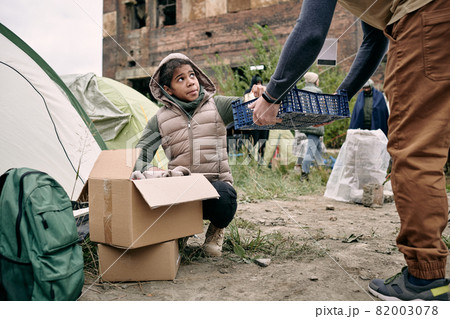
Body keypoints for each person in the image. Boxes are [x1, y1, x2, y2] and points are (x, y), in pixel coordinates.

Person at [250, 0, 450, 301]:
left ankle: (425, 279)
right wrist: (342, 97)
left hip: (427, 22)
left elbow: (311, 33)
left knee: (416, 151)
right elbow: (375, 38)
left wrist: (271, 94)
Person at [133, 53, 238, 257]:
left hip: (214, 189)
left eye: (192, 75)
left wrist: (257, 96)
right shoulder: (159, 120)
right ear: (167, 89)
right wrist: (147, 169)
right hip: (181, 191)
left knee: (227, 196)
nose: (191, 82)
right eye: (180, 79)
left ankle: (216, 231)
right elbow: (140, 155)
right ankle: (180, 231)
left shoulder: (218, 106)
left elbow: (251, 109)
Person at [293, 72, 325, 180]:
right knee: (310, 151)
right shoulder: (318, 91)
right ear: (314, 80)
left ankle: (322, 170)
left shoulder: (302, 91)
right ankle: (304, 173)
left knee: (318, 149)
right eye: (318, 79)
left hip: (305, 124)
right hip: (315, 125)